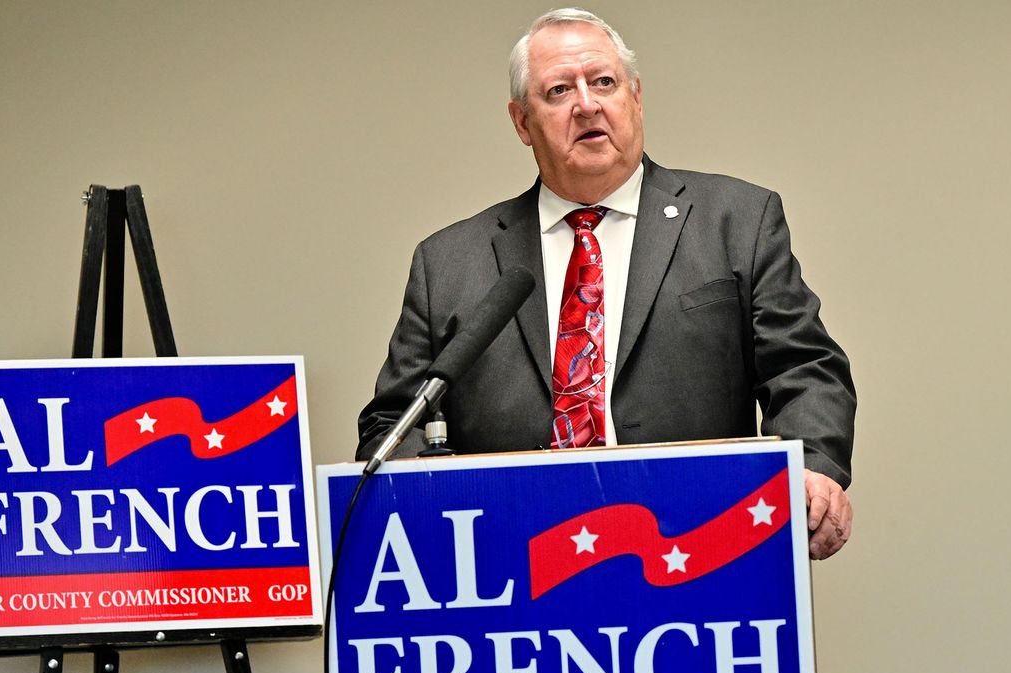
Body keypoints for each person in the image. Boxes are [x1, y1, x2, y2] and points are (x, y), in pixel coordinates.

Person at [357, 8, 855, 559]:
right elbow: (392, 424)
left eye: (604, 82)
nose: (587, 104)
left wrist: (812, 467)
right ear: (522, 122)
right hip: (513, 563)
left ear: (635, 97)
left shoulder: (736, 220)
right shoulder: (449, 263)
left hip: (696, 547)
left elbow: (805, 368)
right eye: (558, 91)